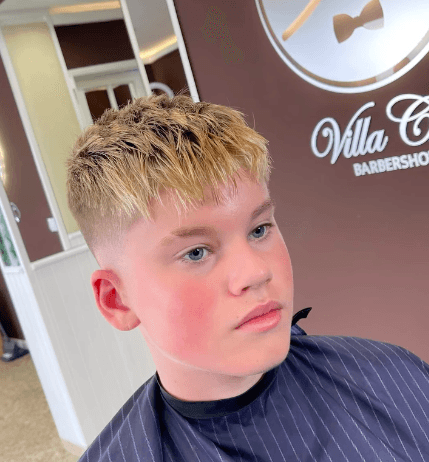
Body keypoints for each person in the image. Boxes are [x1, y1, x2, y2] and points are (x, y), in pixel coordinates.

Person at [67, 92, 429, 462]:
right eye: (196, 252)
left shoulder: (397, 377)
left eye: (259, 230)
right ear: (117, 300)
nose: (256, 272)